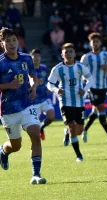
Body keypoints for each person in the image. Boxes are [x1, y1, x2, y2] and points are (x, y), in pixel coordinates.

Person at [0, 28, 46, 184]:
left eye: (14, 40)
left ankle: (36, 174)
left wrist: (33, 87)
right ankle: (3, 151)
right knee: (15, 146)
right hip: (8, 110)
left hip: (27, 105)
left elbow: (32, 76)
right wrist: (8, 85)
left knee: (35, 134)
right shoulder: (1, 63)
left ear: (18, 41)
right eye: (8, 41)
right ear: (2, 44)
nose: (12, 44)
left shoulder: (26, 59)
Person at [47, 43, 93, 162]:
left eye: (71, 51)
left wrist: (85, 89)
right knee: (72, 127)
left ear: (74, 53)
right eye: (66, 52)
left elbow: (91, 79)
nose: (68, 54)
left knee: (78, 130)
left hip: (79, 102)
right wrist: (56, 90)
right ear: (62, 55)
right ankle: (79, 155)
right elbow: (50, 84)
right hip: (65, 102)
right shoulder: (58, 69)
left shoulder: (80, 67)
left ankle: (67, 132)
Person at [80, 32, 107, 143]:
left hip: (103, 86)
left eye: (97, 41)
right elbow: (80, 70)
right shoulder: (86, 57)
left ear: (100, 43)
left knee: (96, 111)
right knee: (101, 107)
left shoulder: (106, 55)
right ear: (90, 43)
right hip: (92, 87)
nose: (95, 43)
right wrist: (83, 79)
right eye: (93, 41)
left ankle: (84, 130)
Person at [30, 48, 55, 140]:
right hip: (34, 102)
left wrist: (49, 87)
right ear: (31, 57)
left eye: (38, 56)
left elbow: (48, 80)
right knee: (34, 126)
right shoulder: (29, 70)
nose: (36, 57)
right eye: (34, 56)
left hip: (44, 99)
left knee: (51, 116)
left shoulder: (44, 68)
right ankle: (37, 134)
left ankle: (42, 127)